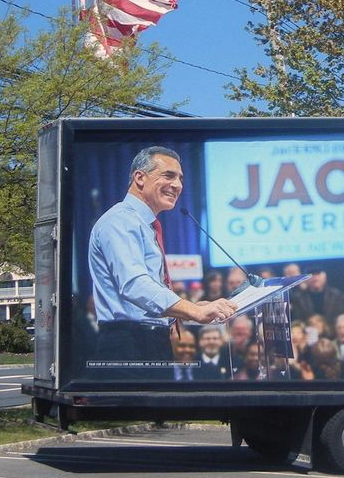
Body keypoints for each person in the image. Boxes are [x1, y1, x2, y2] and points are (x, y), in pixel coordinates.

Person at [88, 146, 237, 371]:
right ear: (140, 177)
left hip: (149, 341)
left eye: (180, 178)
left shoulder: (145, 225)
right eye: (168, 175)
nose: (177, 185)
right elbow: (135, 285)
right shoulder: (120, 221)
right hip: (129, 345)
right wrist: (195, 311)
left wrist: (191, 308)